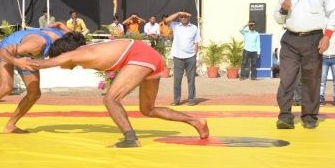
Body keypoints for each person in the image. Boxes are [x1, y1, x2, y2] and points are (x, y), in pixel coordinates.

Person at [26, 37, 209, 148]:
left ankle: (130, 138)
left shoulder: (76, 54)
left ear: (63, 54)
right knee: (147, 109)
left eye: (59, 59)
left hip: (140, 57)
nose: (61, 65)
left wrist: (10, 58)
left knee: (111, 99)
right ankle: (197, 122)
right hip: (149, 57)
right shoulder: (82, 50)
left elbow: (39, 64)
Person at [0, 22, 74, 135]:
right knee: (6, 88)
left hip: (27, 54)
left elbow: (59, 24)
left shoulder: (69, 36)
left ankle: (10, 125)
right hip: (8, 49)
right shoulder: (37, 44)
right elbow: (1, 52)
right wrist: (17, 61)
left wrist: (53, 26)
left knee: (34, 93)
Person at [273, 0, 335, 129]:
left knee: (311, 79)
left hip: (313, 39)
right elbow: (278, 19)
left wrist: (327, 36)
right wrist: (283, 9)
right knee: (286, 79)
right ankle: (285, 117)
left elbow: (333, 13)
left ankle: (309, 117)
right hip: (290, 39)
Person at [164, 10, 200, 106]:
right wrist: (178, 13)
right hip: (178, 56)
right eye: (182, 16)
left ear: (189, 17)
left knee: (191, 79)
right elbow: (166, 21)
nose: (183, 18)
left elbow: (196, 42)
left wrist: (196, 55)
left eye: (185, 16)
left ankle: (191, 99)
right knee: (177, 79)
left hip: (190, 57)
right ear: (179, 17)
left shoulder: (194, 27)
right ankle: (176, 100)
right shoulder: (175, 26)